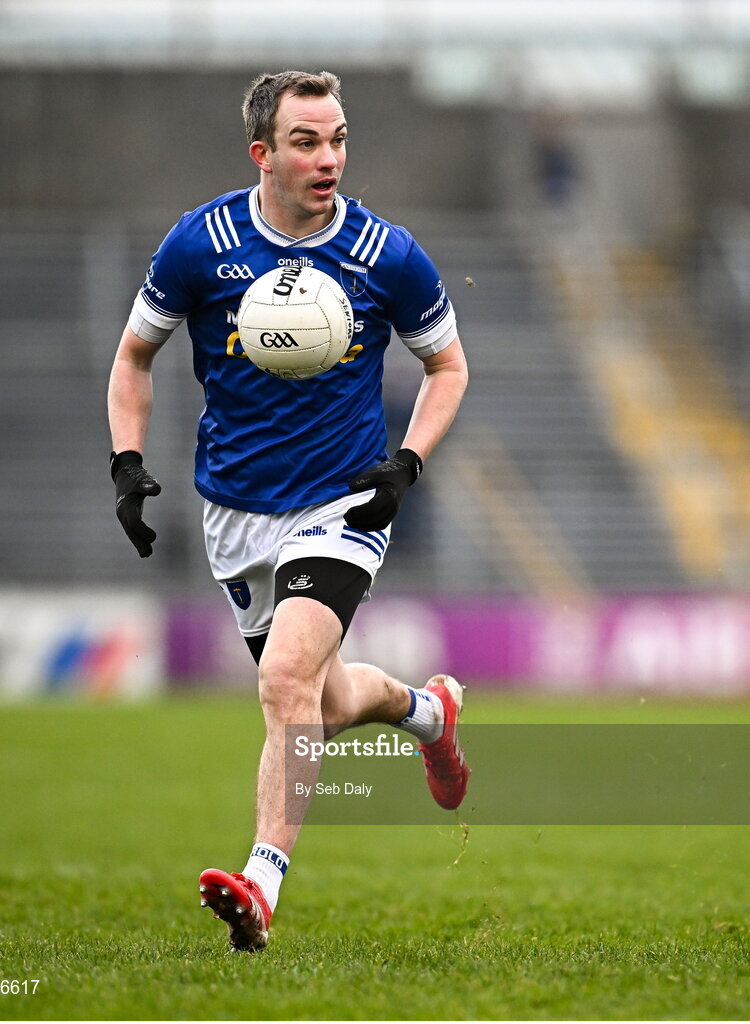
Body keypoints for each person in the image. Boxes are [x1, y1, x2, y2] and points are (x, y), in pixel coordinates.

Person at [107, 70, 470, 952]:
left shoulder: (388, 255)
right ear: (262, 154)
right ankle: (429, 715)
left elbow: (448, 367)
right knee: (325, 695)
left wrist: (407, 464)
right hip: (235, 513)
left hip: (343, 501)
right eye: (307, 142)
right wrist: (125, 463)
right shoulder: (202, 245)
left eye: (339, 138)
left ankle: (262, 883)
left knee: (282, 685)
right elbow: (133, 360)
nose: (329, 158)